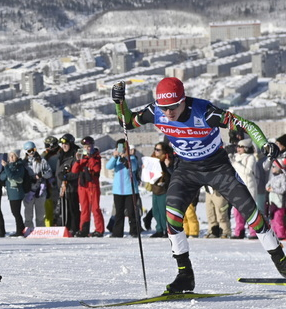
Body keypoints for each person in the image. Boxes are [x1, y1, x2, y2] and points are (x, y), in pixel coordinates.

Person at [114, 77, 286, 292]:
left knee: (251, 213)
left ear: (183, 100)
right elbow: (127, 122)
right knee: (172, 217)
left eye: (173, 106)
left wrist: (263, 144)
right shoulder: (155, 111)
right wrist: (119, 102)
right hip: (186, 170)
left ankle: (281, 262)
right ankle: (185, 274)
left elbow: (246, 124)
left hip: (218, 168)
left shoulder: (206, 112)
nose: (168, 113)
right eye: (164, 108)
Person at [106, 138, 142, 238]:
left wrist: (125, 158)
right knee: (119, 213)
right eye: (119, 147)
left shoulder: (132, 158)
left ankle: (134, 231)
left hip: (130, 190)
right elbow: (108, 167)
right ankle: (117, 232)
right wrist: (114, 157)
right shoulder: (116, 159)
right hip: (118, 190)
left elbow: (133, 167)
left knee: (132, 212)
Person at [72, 136, 105, 237]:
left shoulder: (96, 156)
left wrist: (90, 157)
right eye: (85, 146)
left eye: (89, 146)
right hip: (83, 186)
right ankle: (84, 229)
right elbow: (74, 171)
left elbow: (96, 169)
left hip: (92, 185)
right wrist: (78, 160)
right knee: (84, 208)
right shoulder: (82, 157)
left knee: (95, 208)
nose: (87, 148)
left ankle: (99, 230)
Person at [230, 139, 259, 239]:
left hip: (249, 186)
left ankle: (253, 232)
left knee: (250, 210)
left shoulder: (251, 158)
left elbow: (248, 171)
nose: (238, 149)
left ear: (246, 148)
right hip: (237, 186)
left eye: (241, 147)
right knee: (237, 210)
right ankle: (239, 231)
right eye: (238, 147)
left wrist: (236, 163)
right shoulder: (236, 157)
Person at [0, 151, 32, 237]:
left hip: (17, 192)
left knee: (16, 212)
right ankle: (21, 228)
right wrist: (7, 169)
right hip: (10, 193)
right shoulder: (9, 166)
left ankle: (20, 230)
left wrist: (6, 168)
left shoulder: (19, 166)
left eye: (13, 156)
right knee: (14, 212)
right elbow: (2, 177)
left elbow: (13, 176)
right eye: (10, 156)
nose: (12, 157)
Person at [23, 141, 52, 230]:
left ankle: (40, 231)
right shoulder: (24, 163)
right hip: (28, 192)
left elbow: (49, 173)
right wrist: (29, 178)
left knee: (40, 215)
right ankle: (29, 230)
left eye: (33, 150)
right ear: (26, 152)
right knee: (28, 215)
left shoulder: (42, 161)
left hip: (40, 191)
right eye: (29, 151)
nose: (31, 153)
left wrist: (41, 174)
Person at [149, 142, 175, 238]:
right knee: (156, 211)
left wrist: (168, 166)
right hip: (155, 188)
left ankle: (166, 230)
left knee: (163, 211)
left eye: (158, 149)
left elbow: (172, 174)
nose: (156, 151)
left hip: (164, 188)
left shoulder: (167, 159)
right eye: (155, 149)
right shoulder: (152, 159)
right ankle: (159, 229)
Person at [42, 136, 61, 227]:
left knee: (59, 204)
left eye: (51, 145)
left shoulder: (61, 154)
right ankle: (51, 223)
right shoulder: (44, 155)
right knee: (49, 205)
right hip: (47, 183)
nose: (49, 148)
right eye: (47, 145)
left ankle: (58, 221)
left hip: (59, 181)